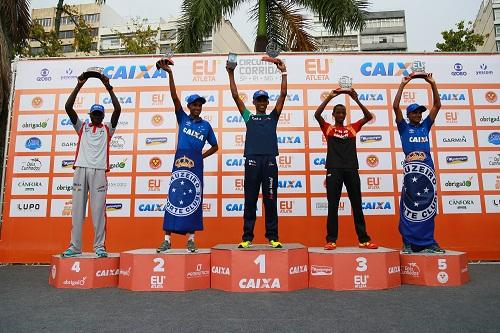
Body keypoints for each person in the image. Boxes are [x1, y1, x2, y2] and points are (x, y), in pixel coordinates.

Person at [156, 59, 218, 253]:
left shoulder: (206, 126)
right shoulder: (182, 118)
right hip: (179, 162)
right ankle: (167, 239)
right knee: (173, 198)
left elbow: (215, 146)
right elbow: (175, 97)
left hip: (196, 165)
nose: (198, 107)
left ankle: (191, 240)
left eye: (200, 105)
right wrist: (170, 75)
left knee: (194, 199)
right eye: (195, 104)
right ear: (189, 106)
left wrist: (201, 157)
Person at [226, 59, 287, 249]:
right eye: (258, 100)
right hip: (252, 162)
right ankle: (247, 237)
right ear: (254, 102)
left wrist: (283, 73)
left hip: (269, 161)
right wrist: (230, 73)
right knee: (250, 200)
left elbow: (283, 94)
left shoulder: (273, 116)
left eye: (264, 100)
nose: (261, 103)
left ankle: (273, 237)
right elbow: (236, 96)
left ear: (267, 102)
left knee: (270, 200)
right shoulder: (249, 117)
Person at [61, 73, 121, 258]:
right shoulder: (82, 127)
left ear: (103, 116)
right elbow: (68, 107)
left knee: (98, 212)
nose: (96, 117)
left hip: (99, 172)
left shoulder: (107, 129)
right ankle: (75, 246)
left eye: (99, 114)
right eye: (94, 114)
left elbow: (118, 110)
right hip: (80, 170)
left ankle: (99, 247)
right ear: (90, 115)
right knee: (77, 210)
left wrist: (109, 87)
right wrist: (79, 85)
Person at [314, 88, 378, 251]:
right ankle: (331, 240)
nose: (341, 115)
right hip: (334, 169)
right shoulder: (328, 128)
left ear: (345, 115)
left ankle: (364, 239)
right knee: (333, 205)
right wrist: (329, 97)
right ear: (334, 115)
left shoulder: (352, 128)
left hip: (351, 169)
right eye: (338, 113)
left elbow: (369, 117)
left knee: (357, 204)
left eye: (343, 113)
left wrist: (356, 99)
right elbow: (317, 114)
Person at [393, 74, 444, 254]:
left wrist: (432, 83)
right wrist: (403, 84)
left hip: (427, 167)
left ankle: (429, 241)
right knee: (408, 204)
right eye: (414, 112)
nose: (418, 115)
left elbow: (437, 105)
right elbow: (395, 106)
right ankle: (407, 242)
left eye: (420, 112)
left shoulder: (425, 125)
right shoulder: (403, 127)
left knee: (429, 204)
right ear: (408, 115)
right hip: (411, 170)